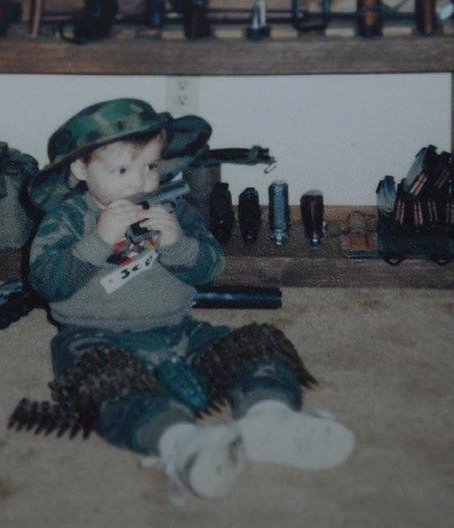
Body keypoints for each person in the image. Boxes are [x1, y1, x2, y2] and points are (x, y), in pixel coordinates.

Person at [25, 98, 354, 502]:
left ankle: (270, 420)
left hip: (179, 330)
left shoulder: (171, 208)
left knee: (259, 344)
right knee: (103, 389)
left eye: (150, 166)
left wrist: (178, 243)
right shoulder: (66, 218)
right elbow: (47, 282)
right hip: (95, 339)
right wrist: (97, 241)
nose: (139, 182)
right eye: (122, 170)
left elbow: (209, 266)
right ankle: (182, 444)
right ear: (80, 169)